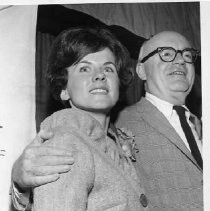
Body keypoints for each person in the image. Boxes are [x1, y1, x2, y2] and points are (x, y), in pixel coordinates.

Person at [12, 31, 202, 210]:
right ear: (64, 89)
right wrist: (19, 182)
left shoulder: (116, 140)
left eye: (109, 69)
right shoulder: (66, 139)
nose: (100, 75)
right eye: (85, 68)